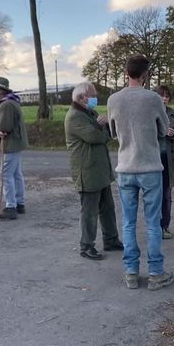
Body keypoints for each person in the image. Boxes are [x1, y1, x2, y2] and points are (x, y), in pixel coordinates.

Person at [107, 55, 174, 291]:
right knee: (153, 222)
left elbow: (114, 134)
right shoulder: (153, 98)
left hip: (125, 167)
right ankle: (156, 272)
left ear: (126, 72)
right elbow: (164, 129)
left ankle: (131, 273)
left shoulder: (113, 100)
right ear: (145, 74)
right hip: (150, 166)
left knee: (128, 222)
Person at [64, 82, 123, 260]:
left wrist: (104, 126)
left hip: (99, 170)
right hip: (87, 171)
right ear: (81, 98)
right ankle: (86, 246)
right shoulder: (75, 116)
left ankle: (111, 240)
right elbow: (94, 137)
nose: (95, 99)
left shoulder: (89, 112)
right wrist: (102, 128)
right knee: (89, 211)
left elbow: (108, 132)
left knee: (107, 208)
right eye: (92, 95)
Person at [0, 76, 28, 220]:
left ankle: (11, 206)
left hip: (10, 144)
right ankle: (19, 203)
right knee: (16, 174)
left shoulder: (6, 104)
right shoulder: (12, 101)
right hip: (16, 143)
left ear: (0, 91)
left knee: (5, 175)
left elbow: (5, 127)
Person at [156, 85, 174, 239]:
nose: (164, 98)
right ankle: (154, 227)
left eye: (167, 96)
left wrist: (173, 135)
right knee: (154, 194)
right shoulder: (149, 113)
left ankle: (164, 226)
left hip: (169, 160)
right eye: (161, 95)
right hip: (153, 158)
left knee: (166, 194)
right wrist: (161, 132)